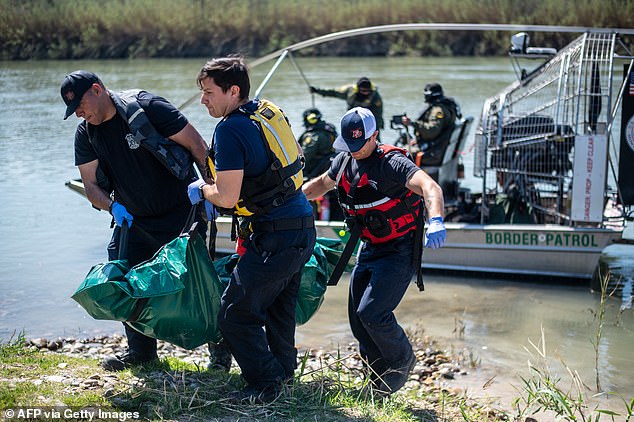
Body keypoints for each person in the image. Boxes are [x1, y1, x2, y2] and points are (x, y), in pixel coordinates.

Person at [61, 70, 213, 371]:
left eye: (80, 104)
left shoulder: (148, 107)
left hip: (182, 213)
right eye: (73, 109)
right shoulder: (86, 133)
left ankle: (220, 354)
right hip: (133, 221)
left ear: (97, 90)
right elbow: (91, 186)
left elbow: (198, 146)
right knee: (124, 281)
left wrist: (214, 194)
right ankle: (142, 351)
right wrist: (112, 206)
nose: (78, 112)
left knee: (199, 283)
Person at [187, 56, 317, 403]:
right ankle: (283, 376)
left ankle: (265, 384)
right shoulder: (267, 111)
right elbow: (294, 157)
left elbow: (227, 197)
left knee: (234, 314)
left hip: (276, 235)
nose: (204, 100)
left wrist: (202, 191)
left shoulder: (229, 129)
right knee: (278, 310)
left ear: (233, 91)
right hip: (302, 225)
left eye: (209, 92)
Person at [302, 107, 447, 395]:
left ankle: (402, 359)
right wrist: (290, 199)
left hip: (399, 249)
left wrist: (436, 220)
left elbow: (430, 188)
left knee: (373, 313)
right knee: (358, 320)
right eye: (349, 145)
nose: (354, 151)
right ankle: (378, 380)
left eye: (359, 144)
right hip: (369, 247)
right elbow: (320, 185)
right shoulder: (344, 161)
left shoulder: (392, 163)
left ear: (374, 136)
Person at [298, 108, 344, 221]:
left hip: (315, 174)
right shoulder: (331, 130)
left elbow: (304, 157)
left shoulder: (312, 137)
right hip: (330, 170)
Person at [401, 83, 461, 167]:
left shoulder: (438, 110)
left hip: (434, 154)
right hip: (439, 148)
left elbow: (431, 131)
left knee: (400, 153)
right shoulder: (447, 105)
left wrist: (412, 123)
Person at [310, 76, 384, 134]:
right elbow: (333, 92)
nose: (366, 93)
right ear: (358, 89)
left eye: (368, 91)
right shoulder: (349, 91)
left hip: (369, 122)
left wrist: (376, 126)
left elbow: (378, 113)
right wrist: (317, 90)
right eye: (363, 91)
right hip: (352, 121)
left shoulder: (375, 97)